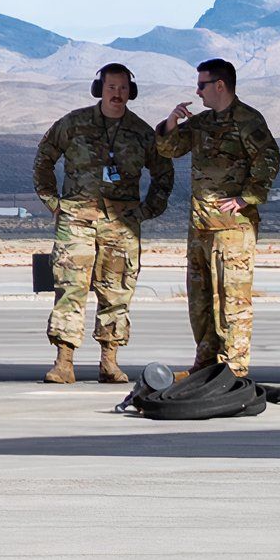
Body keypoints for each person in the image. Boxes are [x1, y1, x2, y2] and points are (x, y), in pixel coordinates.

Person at [31, 61, 170, 383]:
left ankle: (109, 361)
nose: (117, 94)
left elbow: (164, 173)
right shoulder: (73, 124)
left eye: (123, 88)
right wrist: (54, 203)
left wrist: (146, 211)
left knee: (117, 293)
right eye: (111, 88)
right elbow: (43, 160)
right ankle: (64, 362)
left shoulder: (141, 132)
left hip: (121, 225)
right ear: (99, 90)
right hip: (77, 220)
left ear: (130, 92)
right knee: (70, 288)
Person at [156, 58, 280, 380]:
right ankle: (206, 362)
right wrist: (171, 122)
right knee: (200, 299)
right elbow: (170, 148)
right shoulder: (203, 124)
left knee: (232, 300)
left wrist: (247, 198)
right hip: (201, 227)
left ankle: (234, 370)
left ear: (220, 85)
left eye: (202, 85)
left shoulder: (247, 120)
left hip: (233, 230)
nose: (197, 92)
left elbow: (269, 157)